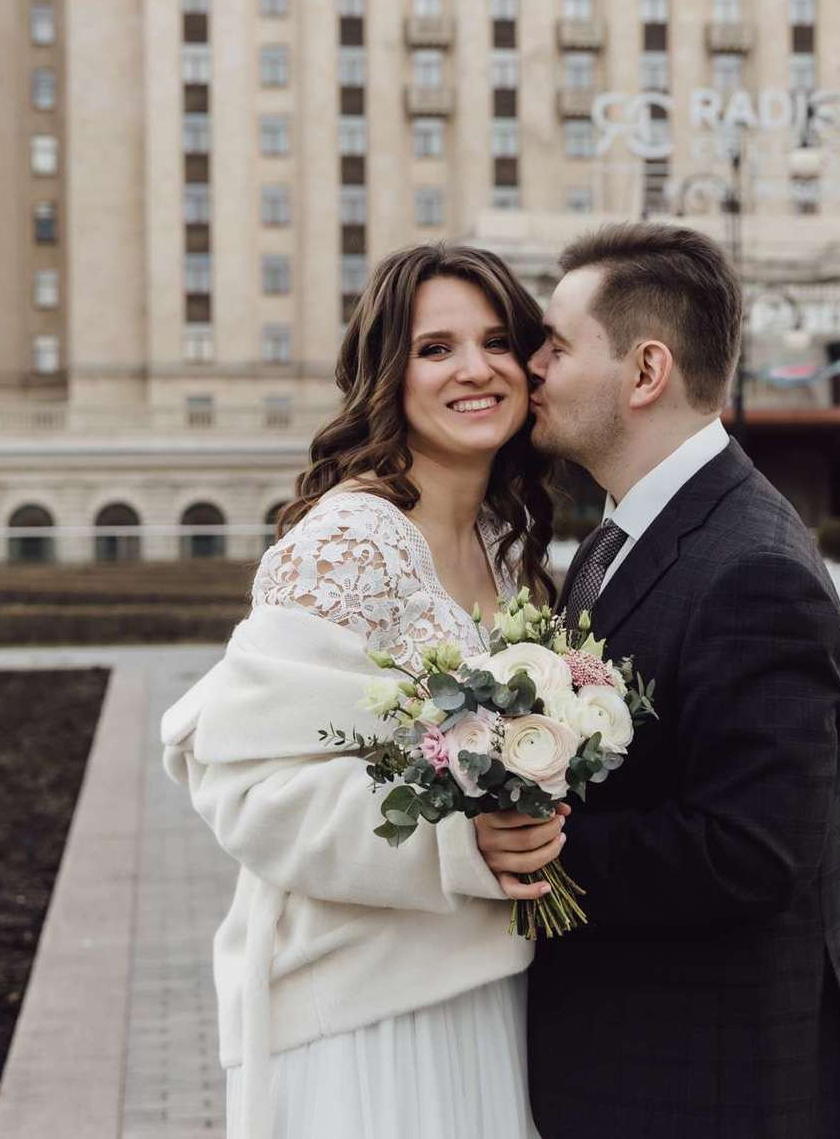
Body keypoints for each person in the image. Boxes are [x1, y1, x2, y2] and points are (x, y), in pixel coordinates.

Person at [474, 221, 840, 1138]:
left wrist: (525, 848)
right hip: (630, 1069)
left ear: (645, 372)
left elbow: (752, 851)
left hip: (711, 1085)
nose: (531, 366)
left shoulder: (751, 570)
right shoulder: (618, 541)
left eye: (557, 345)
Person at [159, 243, 557, 1139]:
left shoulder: (507, 552)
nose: (475, 369)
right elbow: (247, 786)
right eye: (436, 348)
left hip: (479, 987)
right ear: (390, 373)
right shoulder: (351, 542)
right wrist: (463, 844)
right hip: (362, 1014)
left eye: (497, 342)